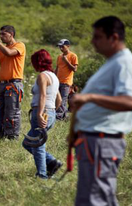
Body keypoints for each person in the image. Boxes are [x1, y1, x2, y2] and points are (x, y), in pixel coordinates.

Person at [70, 16, 132, 206]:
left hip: (102, 141)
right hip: (92, 140)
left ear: (113, 38)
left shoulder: (124, 63)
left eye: (97, 37)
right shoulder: (112, 62)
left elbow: (128, 101)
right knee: (95, 199)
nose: (92, 41)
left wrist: (89, 97)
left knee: (95, 200)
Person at [22, 49, 62, 179]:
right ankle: (52, 162)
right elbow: (59, 100)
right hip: (50, 113)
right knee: (27, 143)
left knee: (38, 145)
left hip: (42, 112)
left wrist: (40, 114)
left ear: (38, 62)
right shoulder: (54, 77)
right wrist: (51, 112)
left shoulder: (43, 76)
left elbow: (43, 95)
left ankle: (42, 175)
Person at [55, 39, 78, 120]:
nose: (61, 48)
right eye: (60, 47)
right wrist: (53, 79)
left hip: (66, 82)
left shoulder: (73, 56)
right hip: (58, 81)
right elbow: (57, 69)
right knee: (57, 99)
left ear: (68, 46)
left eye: (62, 47)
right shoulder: (59, 56)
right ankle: (64, 117)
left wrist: (67, 61)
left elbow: (75, 69)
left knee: (62, 100)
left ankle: (59, 117)